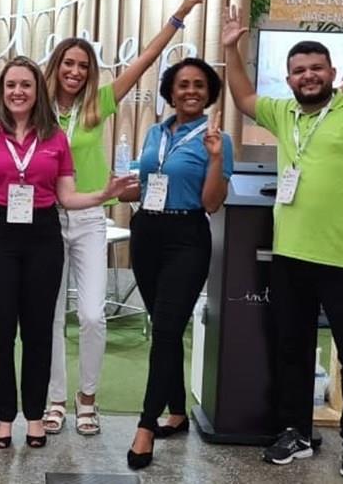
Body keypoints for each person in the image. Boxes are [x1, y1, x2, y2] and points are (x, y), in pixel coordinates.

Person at [221, 4, 343, 479]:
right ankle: (294, 431)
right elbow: (243, 96)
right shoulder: (283, 112)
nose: (308, 76)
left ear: (332, 73)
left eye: (316, 68)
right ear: (289, 78)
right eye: (299, 71)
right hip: (290, 256)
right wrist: (231, 48)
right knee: (291, 348)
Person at [41, 0, 205, 438]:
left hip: (89, 218)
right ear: (56, 67)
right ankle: (55, 399)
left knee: (93, 315)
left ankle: (87, 398)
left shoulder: (100, 104)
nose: (75, 72)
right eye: (68, 63)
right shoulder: (38, 109)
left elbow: (146, 58)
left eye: (83, 66)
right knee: (49, 316)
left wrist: (178, 16)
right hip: (45, 219)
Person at [0, 57, 133, 449]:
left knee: (38, 332)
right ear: (2, 91)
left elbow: (67, 197)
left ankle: (34, 416)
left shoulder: (55, 137)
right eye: (11, 85)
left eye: (26, 85)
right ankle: (3, 418)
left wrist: (103, 195)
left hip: (43, 235)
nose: (18, 92)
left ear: (37, 92)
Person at [122, 57, 234, 470]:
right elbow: (146, 184)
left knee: (167, 330)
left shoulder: (218, 138)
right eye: (183, 84)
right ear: (171, 91)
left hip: (187, 237)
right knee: (163, 327)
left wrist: (216, 158)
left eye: (199, 85)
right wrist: (116, 189)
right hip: (146, 232)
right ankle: (177, 411)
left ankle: (146, 426)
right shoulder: (156, 132)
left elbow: (212, 202)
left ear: (209, 93)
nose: (191, 91)